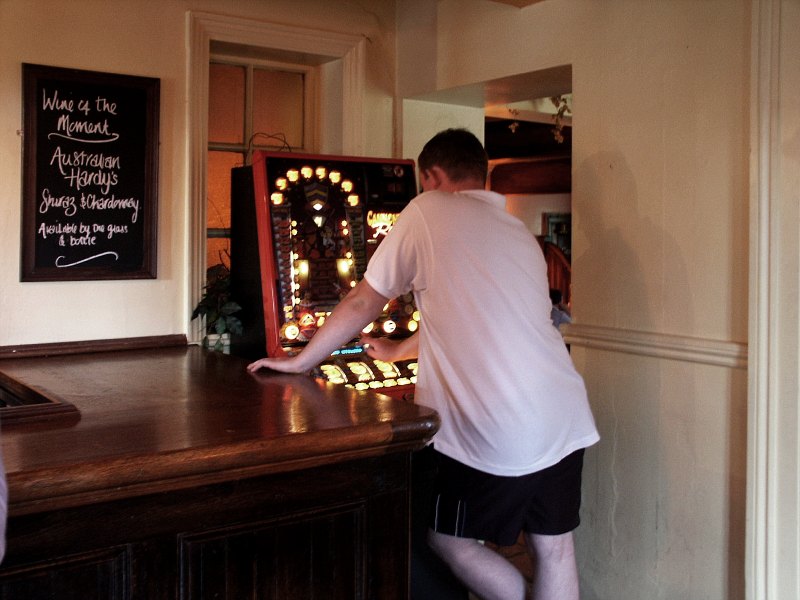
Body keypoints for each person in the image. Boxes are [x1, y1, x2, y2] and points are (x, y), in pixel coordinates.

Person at [248, 128, 599, 600]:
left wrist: (301, 359)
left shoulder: (428, 209)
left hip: (496, 424)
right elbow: (472, 320)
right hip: (564, 412)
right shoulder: (516, 230)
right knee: (554, 550)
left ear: (430, 175)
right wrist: (396, 352)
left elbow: (364, 300)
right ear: (481, 173)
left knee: (448, 540)